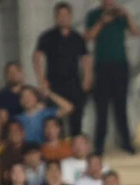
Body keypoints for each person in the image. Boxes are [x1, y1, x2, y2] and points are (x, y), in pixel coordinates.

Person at [86, 0, 140, 155]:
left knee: (121, 106)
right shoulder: (93, 15)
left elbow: (136, 32)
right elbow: (89, 37)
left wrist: (127, 15)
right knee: (101, 108)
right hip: (102, 66)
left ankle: (126, 142)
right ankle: (99, 145)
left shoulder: (120, 15)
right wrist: (102, 22)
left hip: (120, 65)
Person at [34, 2, 92, 137]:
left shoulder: (77, 37)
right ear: (55, 17)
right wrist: (41, 79)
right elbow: (36, 58)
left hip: (74, 84)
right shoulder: (47, 36)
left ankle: (76, 145)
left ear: (71, 16)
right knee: (55, 121)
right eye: (60, 15)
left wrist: (87, 77)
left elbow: (86, 58)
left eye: (66, 14)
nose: (63, 18)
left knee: (76, 120)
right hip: (54, 85)